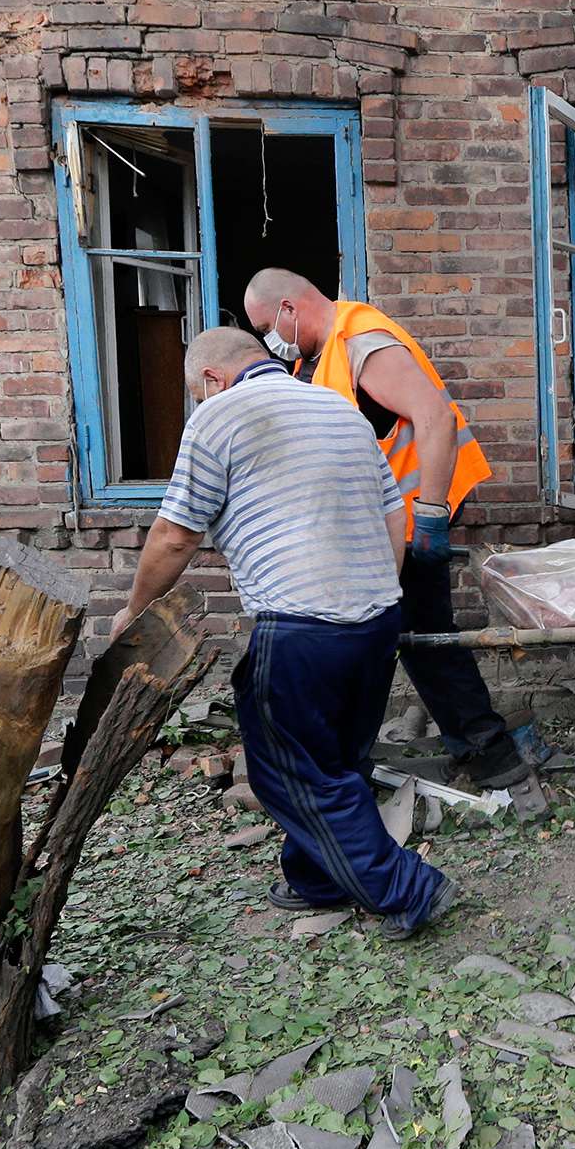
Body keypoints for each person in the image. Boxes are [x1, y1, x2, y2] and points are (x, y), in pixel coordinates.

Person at [110, 327, 457, 938]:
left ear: (212, 378)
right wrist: (377, 592)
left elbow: (175, 535)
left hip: (300, 626)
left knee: (287, 771)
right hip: (375, 619)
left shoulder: (219, 417)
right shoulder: (338, 408)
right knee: (338, 757)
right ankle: (316, 877)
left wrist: (136, 609)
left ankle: (409, 888)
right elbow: (393, 512)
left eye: (198, 392)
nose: (200, 402)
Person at [242, 268, 534, 790]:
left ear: (290, 308)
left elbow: (435, 418)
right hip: (385, 520)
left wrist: (430, 513)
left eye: (268, 327)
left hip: (413, 515)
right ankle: (482, 752)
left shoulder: (360, 340)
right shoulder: (315, 358)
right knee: (408, 632)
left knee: (394, 632)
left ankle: (477, 754)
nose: (271, 343)